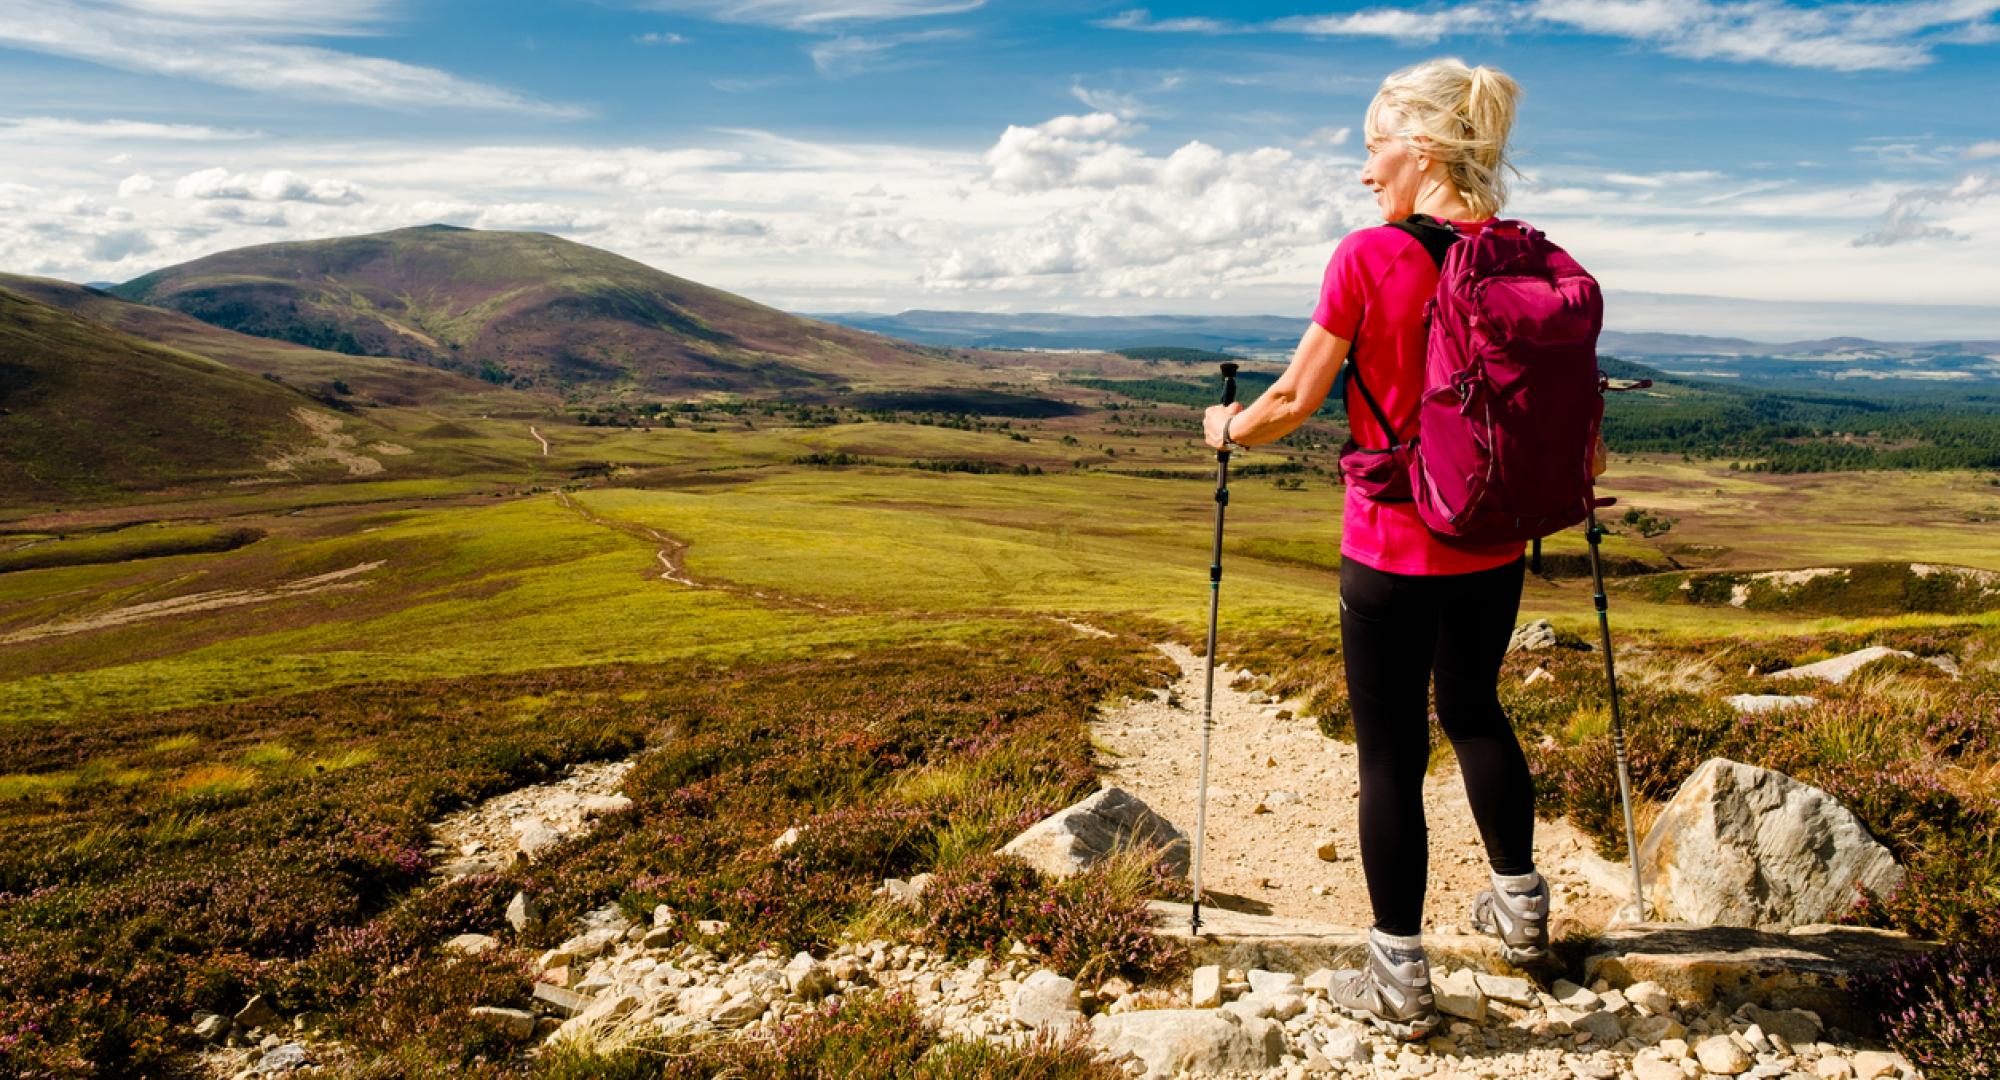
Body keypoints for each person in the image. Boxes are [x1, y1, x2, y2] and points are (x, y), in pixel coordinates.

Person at [1203, 57, 1550, 1041]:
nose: (1364, 171)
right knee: (1475, 707)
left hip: (1395, 543)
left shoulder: (1370, 256)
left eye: (1372, 146)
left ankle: (1397, 974)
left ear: (1423, 149)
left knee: (1388, 756)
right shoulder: (1529, 259)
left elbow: (1289, 400)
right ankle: (1520, 911)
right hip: (1491, 538)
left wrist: (1221, 431)